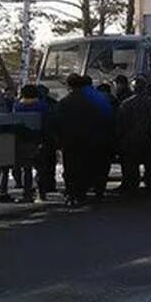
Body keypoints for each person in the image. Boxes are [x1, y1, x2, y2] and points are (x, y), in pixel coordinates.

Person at [56, 74, 104, 206]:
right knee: (83, 166)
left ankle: (71, 193)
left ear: (68, 86)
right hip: (86, 139)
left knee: (69, 167)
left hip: (68, 139)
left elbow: (57, 122)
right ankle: (81, 193)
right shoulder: (89, 103)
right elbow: (96, 120)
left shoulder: (63, 103)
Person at [115, 76, 151, 193]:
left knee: (130, 165)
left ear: (133, 88)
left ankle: (130, 186)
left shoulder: (125, 104)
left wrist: (119, 139)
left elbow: (121, 124)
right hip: (149, 139)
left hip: (131, 140)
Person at [12, 84, 49, 203]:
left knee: (26, 169)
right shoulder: (42, 106)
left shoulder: (17, 107)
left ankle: (27, 193)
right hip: (39, 139)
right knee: (41, 168)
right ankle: (42, 192)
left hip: (23, 140)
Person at [83, 76, 114, 199]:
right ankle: (99, 188)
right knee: (102, 164)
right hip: (103, 136)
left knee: (86, 163)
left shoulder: (79, 97)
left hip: (85, 137)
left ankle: (86, 187)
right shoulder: (104, 98)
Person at [35, 84, 59, 200]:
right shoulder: (51, 103)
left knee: (40, 165)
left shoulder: (25, 104)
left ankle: (41, 187)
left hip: (36, 138)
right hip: (50, 138)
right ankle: (50, 184)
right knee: (50, 163)